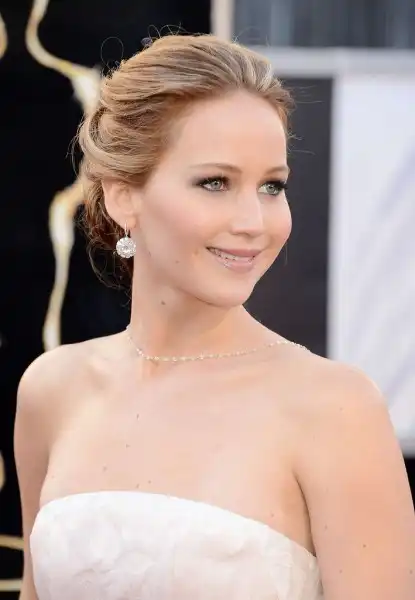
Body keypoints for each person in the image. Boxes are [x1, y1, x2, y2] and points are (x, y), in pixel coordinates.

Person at [15, 33, 415, 600]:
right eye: (215, 183)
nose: (254, 221)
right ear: (123, 196)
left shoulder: (336, 411)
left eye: (272, 186)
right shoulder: (52, 390)